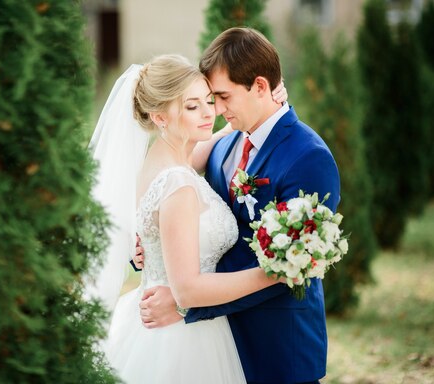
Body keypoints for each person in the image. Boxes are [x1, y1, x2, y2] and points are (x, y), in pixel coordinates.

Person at [135, 28, 341, 384]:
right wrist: (149, 249)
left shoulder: (308, 158)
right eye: (210, 98)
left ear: (260, 87)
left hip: (275, 346)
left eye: (222, 97)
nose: (216, 110)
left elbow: (292, 266)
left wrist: (186, 304)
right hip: (213, 346)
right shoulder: (224, 143)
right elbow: (166, 194)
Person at [87, 54, 287, 384]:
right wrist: (274, 273)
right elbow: (188, 290)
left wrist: (262, 110)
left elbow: (210, 143)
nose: (209, 112)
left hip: (156, 320)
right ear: (160, 117)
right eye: (192, 106)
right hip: (181, 338)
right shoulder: (177, 184)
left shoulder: (163, 160)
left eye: (209, 100)